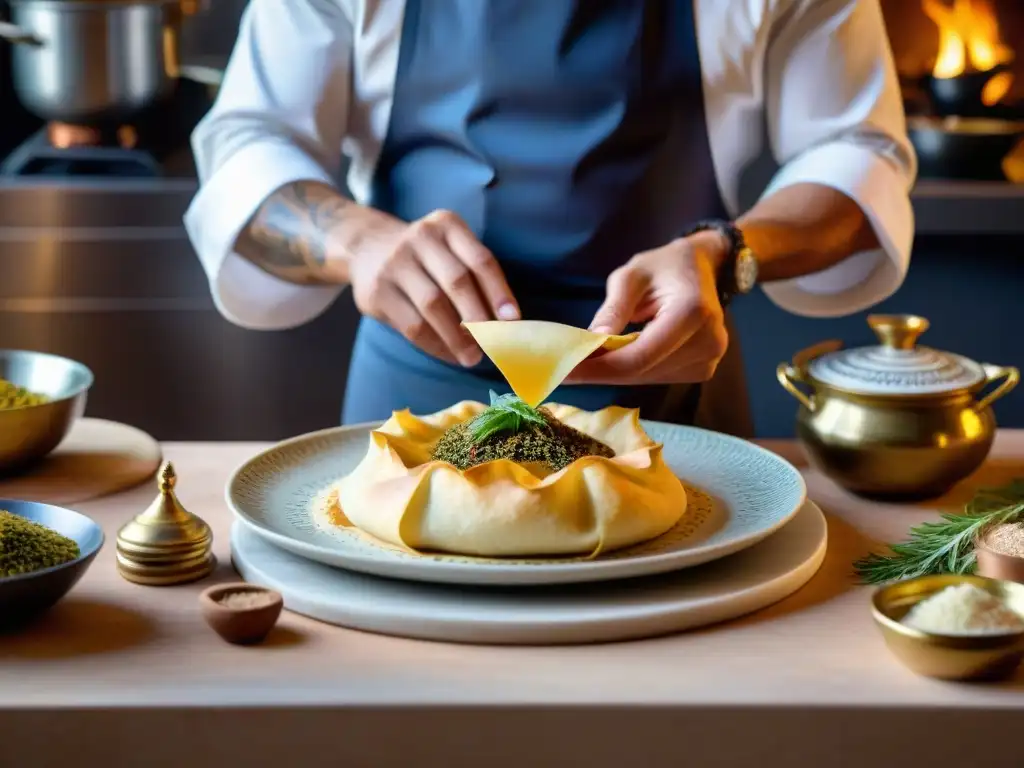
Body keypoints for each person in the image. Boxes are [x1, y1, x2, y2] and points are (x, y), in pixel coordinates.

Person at [184, 0, 915, 437]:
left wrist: (727, 252)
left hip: (676, 410)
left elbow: (855, 150)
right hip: (412, 410)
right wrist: (356, 241)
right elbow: (249, 141)